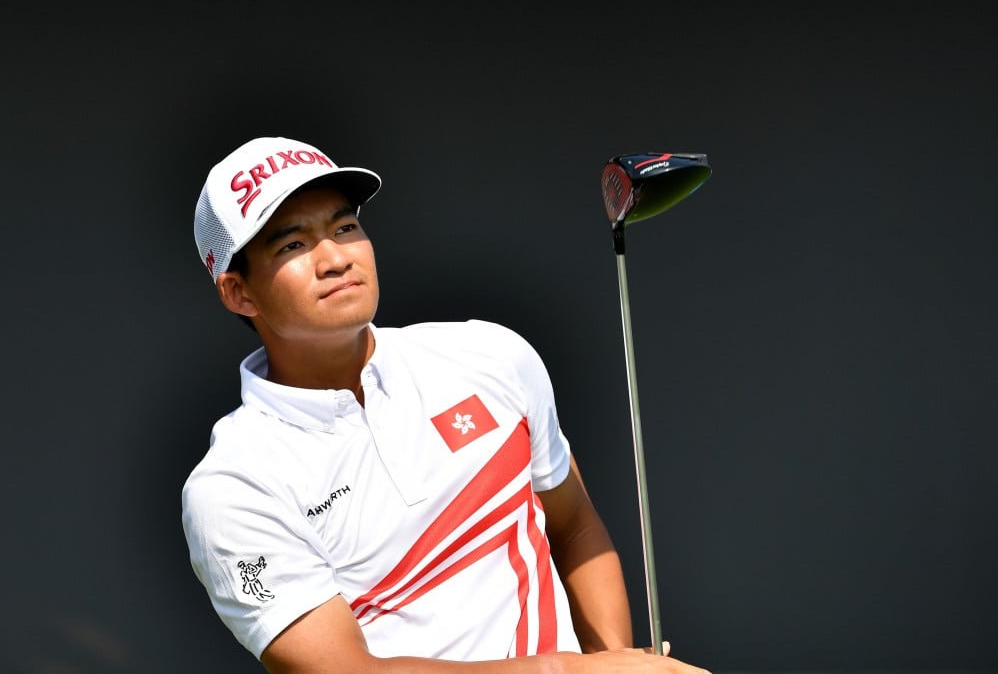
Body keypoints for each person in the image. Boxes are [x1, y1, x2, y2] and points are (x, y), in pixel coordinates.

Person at [182, 135, 710, 674]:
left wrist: (614, 659)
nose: (335, 259)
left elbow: (574, 528)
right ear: (238, 293)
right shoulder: (234, 487)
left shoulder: (490, 355)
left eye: (345, 228)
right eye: (292, 245)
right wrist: (581, 673)